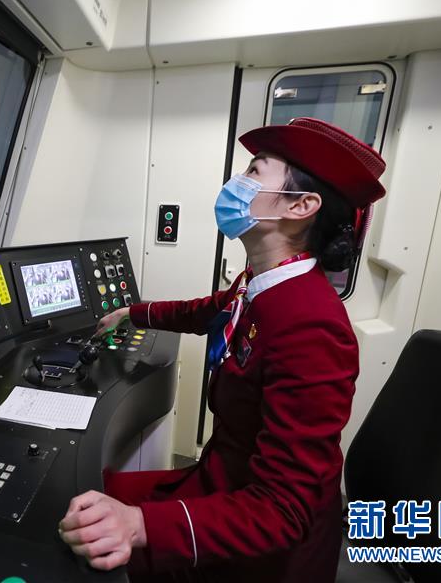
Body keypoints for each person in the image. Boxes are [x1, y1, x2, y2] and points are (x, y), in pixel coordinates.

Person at [59, 117, 387, 583]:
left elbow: (284, 510)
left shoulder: (312, 324)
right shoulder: (261, 283)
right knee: (85, 494)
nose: (238, 182)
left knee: (83, 546)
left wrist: (139, 525)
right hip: (221, 480)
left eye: (255, 171)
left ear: (300, 206)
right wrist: (134, 312)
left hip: (262, 546)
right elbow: (208, 310)